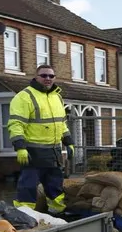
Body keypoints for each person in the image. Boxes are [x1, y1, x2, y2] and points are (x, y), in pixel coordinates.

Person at [9, 64, 74, 213]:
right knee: (28, 187)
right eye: (44, 75)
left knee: (55, 186)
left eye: (51, 76)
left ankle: (58, 214)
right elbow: (16, 124)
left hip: (54, 151)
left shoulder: (56, 96)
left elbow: (61, 123)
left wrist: (69, 142)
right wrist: (20, 147)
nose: (48, 78)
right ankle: (24, 218)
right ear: (36, 77)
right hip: (33, 153)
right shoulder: (25, 96)